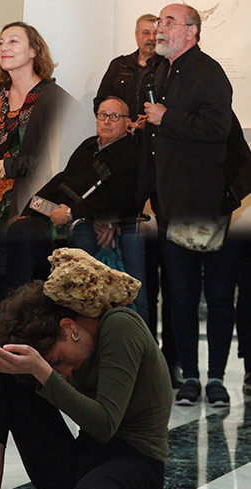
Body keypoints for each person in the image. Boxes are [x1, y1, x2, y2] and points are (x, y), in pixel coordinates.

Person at [0, 248, 249, 489]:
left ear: (70, 329)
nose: (62, 372)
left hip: (135, 465)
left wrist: (44, 372)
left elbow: (105, 425)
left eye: (59, 360)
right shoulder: (73, 346)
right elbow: (34, 387)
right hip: (84, 462)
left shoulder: (120, 326)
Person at [143, 5, 238, 407]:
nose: (158, 28)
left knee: (215, 295)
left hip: (204, 203)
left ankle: (216, 377)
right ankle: (191, 378)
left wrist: (167, 118)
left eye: (168, 23)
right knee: (179, 295)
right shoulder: (161, 70)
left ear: (191, 32)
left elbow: (217, 128)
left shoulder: (209, 72)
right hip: (169, 202)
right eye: (159, 22)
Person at [7, 97, 147, 317]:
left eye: (114, 116)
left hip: (87, 222)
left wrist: (72, 213)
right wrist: (30, 210)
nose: (107, 121)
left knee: (34, 242)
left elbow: (122, 201)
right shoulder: (88, 145)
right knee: (19, 230)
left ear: (127, 122)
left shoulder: (132, 154)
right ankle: (21, 308)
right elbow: (62, 179)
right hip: (59, 214)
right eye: (102, 115)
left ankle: (38, 310)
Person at [0, 23, 70, 233]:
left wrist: (13, 165)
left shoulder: (55, 99)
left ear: (34, 51)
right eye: (0, 43)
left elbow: (64, 164)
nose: (4, 47)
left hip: (34, 205)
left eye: (13, 41)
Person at [95, 12, 160, 120]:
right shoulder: (119, 65)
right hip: (121, 134)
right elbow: (101, 102)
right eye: (146, 33)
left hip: (153, 134)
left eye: (156, 33)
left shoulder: (167, 67)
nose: (152, 38)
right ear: (136, 35)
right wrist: (120, 122)